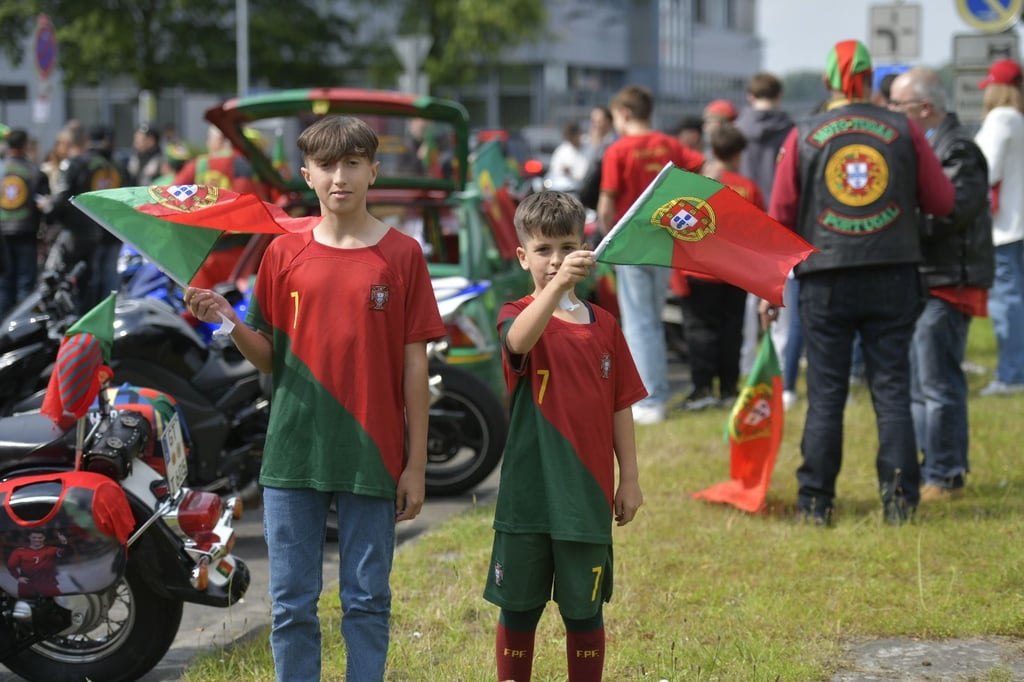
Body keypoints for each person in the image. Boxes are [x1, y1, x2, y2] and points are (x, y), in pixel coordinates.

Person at [184, 115, 445, 682]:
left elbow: (413, 369)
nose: (340, 177)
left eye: (353, 163)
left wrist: (416, 465)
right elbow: (273, 356)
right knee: (291, 606)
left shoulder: (403, 256)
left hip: (373, 455)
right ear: (307, 175)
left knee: (367, 601)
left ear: (373, 171)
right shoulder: (282, 254)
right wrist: (228, 322)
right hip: (293, 451)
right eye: (326, 166)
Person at [763, 39, 954, 526]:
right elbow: (941, 200)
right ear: (870, 80)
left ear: (829, 82)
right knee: (892, 389)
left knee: (826, 393)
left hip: (825, 278)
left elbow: (779, 216)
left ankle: (815, 504)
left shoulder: (803, 133)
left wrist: (768, 285)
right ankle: (899, 502)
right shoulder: (904, 128)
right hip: (893, 273)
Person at [483, 190, 645, 682]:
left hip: (585, 497)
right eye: (544, 250)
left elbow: (620, 405)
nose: (555, 261)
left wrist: (630, 479)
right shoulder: (516, 312)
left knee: (584, 612)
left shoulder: (605, 326)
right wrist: (552, 292)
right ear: (522, 255)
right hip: (527, 497)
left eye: (566, 247)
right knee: (519, 610)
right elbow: (517, 342)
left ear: (585, 248)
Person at [889, 67, 995, 503]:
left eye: (898, 105)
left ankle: (946, 474)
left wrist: (894, 220)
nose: (891, 113)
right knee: (918, 384)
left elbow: (952, 213)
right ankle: (928, 469)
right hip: (924, 280)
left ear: (924, 107)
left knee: (938, 383)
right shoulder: (930, 147)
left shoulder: (959, 149)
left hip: (949, 280)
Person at [598, 84, 705, 425]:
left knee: (637, 321)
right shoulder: (669, 144)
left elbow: (606, 203)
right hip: (665, 240)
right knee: (652, 319)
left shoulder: (618, 150)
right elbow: (698, 171)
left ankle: (650, 399)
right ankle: (655, 390)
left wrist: (607, 236)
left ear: (624, 113)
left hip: (631, 242)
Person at [679, 123, 762, 410]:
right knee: (732, 331)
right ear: (739, 155)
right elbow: (759, 229)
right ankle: (728, 388)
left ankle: (702, 389)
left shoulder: (695, 184)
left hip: (698, 270)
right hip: (734, 272)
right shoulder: (748, 187)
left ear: (711, 151)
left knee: (699, 331)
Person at [733, 72, 798, 399]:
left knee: (745, 302)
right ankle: (782, 378)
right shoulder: (792, 131)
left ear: (749, 95)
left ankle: (746, 368)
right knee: (781, 302)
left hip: (744, 220)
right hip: (782, 222)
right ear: (780, 94)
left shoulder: (737, 130)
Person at [973, 58, 1024, 396]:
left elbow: (984, 172)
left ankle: (1011, 375)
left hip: (1004, 225)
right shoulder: (1018, 118)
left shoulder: (999, 119)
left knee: (1006, 302)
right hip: (1017, 222)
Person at [49, 123, 124, 311]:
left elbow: (62, 197)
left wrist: (51, 218)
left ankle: (78, 321)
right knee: (103, 280)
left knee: (75, 280)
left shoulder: (77, 163)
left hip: (79, 230)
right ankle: (104, 317)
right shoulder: (115, 165)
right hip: (108, 230)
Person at [0, 128, 50, 317]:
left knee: (4, 285)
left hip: (3, 234)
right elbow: (43, 204)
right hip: (26, 233)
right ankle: (20, 326)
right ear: (25, 146)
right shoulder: (33, 171)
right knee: (25, 285)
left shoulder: (2, 169)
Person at [7, 530, 68, 598]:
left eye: (40, 538)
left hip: (47, 584)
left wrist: (64, 542)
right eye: (34, 537)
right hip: (27, 584)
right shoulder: (19, 551)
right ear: (29, 537)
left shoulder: (51, 550)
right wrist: (18, 577)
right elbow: (11, 566)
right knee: (24, 604)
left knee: (61, 601)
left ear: (44, 538)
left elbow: (62, 553)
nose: (37, 540)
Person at [578, 107, 616, 211]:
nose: (595, 125)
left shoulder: (613, 144)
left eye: (599, 121)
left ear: (608, 122)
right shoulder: (589, 142)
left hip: (603, 194)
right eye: (593, 121)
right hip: (589, 195)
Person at [545, 121, 589, 190]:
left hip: (584, 187)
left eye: (573, 137)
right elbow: (554, 169)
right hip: (566, 186)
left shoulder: (589, 145)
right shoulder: (563, 149)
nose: (572, 141)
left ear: (579, 134)